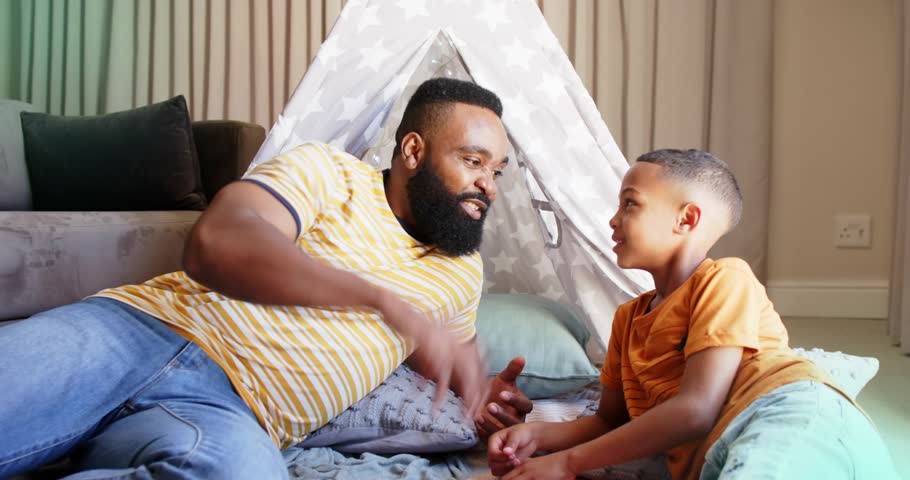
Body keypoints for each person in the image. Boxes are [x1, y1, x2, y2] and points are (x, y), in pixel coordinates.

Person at [0, 78, 530, 480]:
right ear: (413, 151)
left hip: (231, 415)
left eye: (497, 170)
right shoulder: (329, 172)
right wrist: (384, 301)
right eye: (472, 160)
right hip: (137, 333)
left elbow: (450, 359)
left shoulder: (462, 274)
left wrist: (482, 395)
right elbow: (217, 242)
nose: (488, 185)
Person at [487, 149, 899, 480]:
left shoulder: (723, 280)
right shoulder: (628, 320)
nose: (613, 220)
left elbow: (696, 409)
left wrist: (567, 463)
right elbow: (608, 423)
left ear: (687, 219)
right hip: (714, 453)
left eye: (630, 204)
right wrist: (533, 435)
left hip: (781, 412)